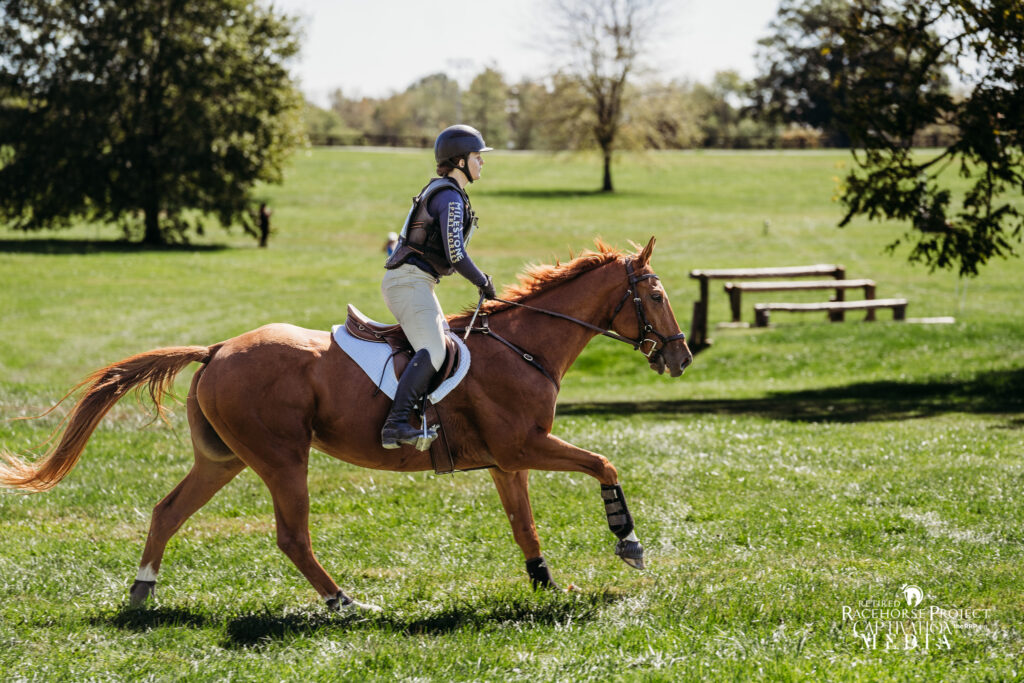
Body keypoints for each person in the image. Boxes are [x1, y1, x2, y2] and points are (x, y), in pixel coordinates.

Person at [379, 124, 496, 448]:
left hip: (418, 283)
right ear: (460, 161)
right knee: (435, 349)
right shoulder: (449, 197)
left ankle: (425, 418)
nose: (482, 162)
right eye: (477, 157)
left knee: (448, 349)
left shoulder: (448, 192)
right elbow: (455, 253)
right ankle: (396, 425)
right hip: (409, 282)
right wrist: (483, 281)